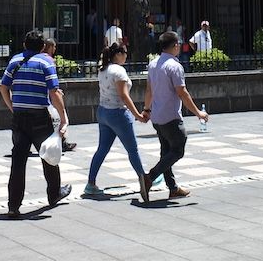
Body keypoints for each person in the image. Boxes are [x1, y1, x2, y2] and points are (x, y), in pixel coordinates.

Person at [0, 31, 70, 218]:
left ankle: (13, 205)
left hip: (19, 117)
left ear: (24, 44)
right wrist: (63, 117)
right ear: (42, 47)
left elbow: (3, 87)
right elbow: (54, 92)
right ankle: (54, 194)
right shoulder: (46, 63)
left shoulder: (15, 61)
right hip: (39, 115)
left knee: (18, 161)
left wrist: (12, 107)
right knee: (49, 155)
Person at [141, 31, 208, 202]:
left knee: (166, 152)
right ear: (175, 45)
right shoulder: (175, 66)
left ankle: (173, 188)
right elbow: (182, 93)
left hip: (157, 115)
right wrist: (198, 113)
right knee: (178, 149)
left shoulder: (154, 64)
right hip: (171, 116)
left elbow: (149, 90)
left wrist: (147, 110)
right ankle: (150, 177)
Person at [84, 43, 149, 196]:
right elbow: (124, 96)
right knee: (132, 150)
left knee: (102, 149)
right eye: (125, 52)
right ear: (118, 54)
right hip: (118, 113)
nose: (126, 55)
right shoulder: (119, 71)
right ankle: (145, 179)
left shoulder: (103, 69)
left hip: (103, 112)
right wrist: (137, 115)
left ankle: (90, 183)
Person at [39, 38, 76, 152]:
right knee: (62, 118)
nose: (55, 49)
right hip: (49, 96)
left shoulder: (38, 59)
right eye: (54, 47)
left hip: (44, 94)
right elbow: (51, 81)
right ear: (50, 47)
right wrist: (56, 91)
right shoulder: (50, 61)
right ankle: (62, 141)